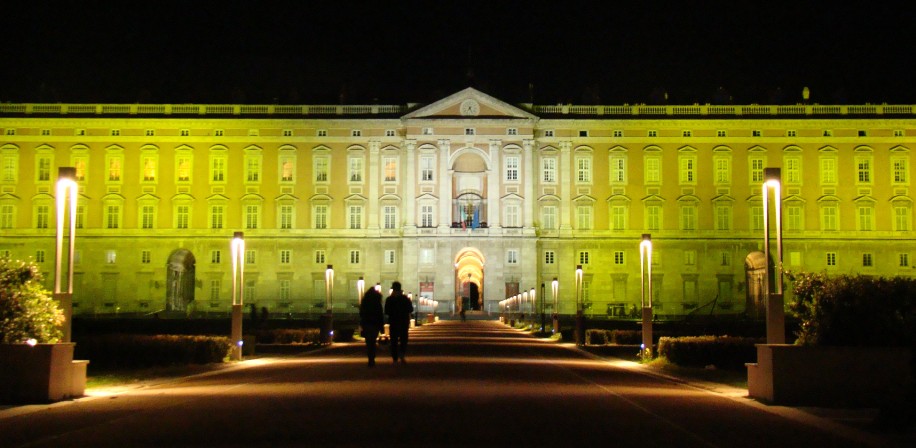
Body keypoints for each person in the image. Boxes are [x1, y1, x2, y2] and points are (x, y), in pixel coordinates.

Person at [384, 281, 413, 364]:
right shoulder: (405, 299)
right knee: (404, 339)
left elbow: (386, 311)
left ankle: (395, 358)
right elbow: (411, 309)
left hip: (393, 322)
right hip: (403, 322)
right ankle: (402, 354)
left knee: (394, 341)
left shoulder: (389, 299)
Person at [359, 288, 384, 367]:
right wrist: (381, 327)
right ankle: (372, 357)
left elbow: (361, 313)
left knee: (368, 342)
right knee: (373, 341)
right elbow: (380, 315)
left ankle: (370, 358)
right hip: (375, 324)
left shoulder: (365, 302)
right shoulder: (377, 302)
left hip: (367, 323)